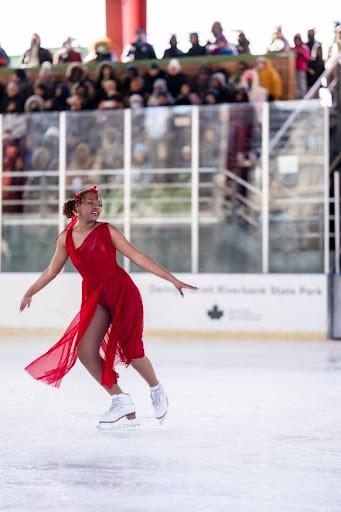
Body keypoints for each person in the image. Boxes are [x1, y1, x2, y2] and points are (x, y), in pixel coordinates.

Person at [20, 186, 197, 427]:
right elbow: (52, 270)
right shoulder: (65, 239)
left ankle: (156, 389)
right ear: (77, 206)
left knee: (131, 351)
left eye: (99, 203)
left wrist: (173, 280)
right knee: (84, 351)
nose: (96, 206)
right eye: (91, 202)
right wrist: (30, 292)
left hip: (122, 293)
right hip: (96, 298)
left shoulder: (107, 231)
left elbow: (138, 257)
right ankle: (120, 400)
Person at [292, 34, 310, 98]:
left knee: (302, 84)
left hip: (301, 69)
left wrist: (301, 52)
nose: (296, 41)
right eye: (295, 40)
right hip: (294, 69)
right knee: (296, 84)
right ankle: (298, 97)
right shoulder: (293, 48)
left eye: (297, 40)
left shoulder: (304, 48)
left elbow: (307, 58)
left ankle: (304, 97)